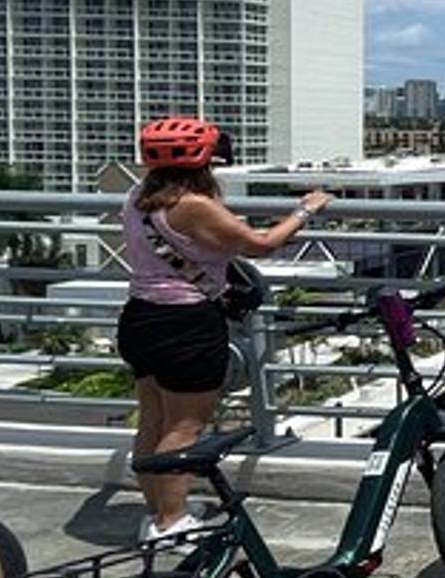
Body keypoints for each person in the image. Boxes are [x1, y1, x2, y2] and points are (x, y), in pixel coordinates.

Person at [118, 117, 331, 542]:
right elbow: (263, 244)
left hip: (140, 317)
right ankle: (170, 524)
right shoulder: (193, 205)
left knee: (153, 422)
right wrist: (306, 209)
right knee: (183, 430)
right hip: (185, 324)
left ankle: (160, 510)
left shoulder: (137, 196)